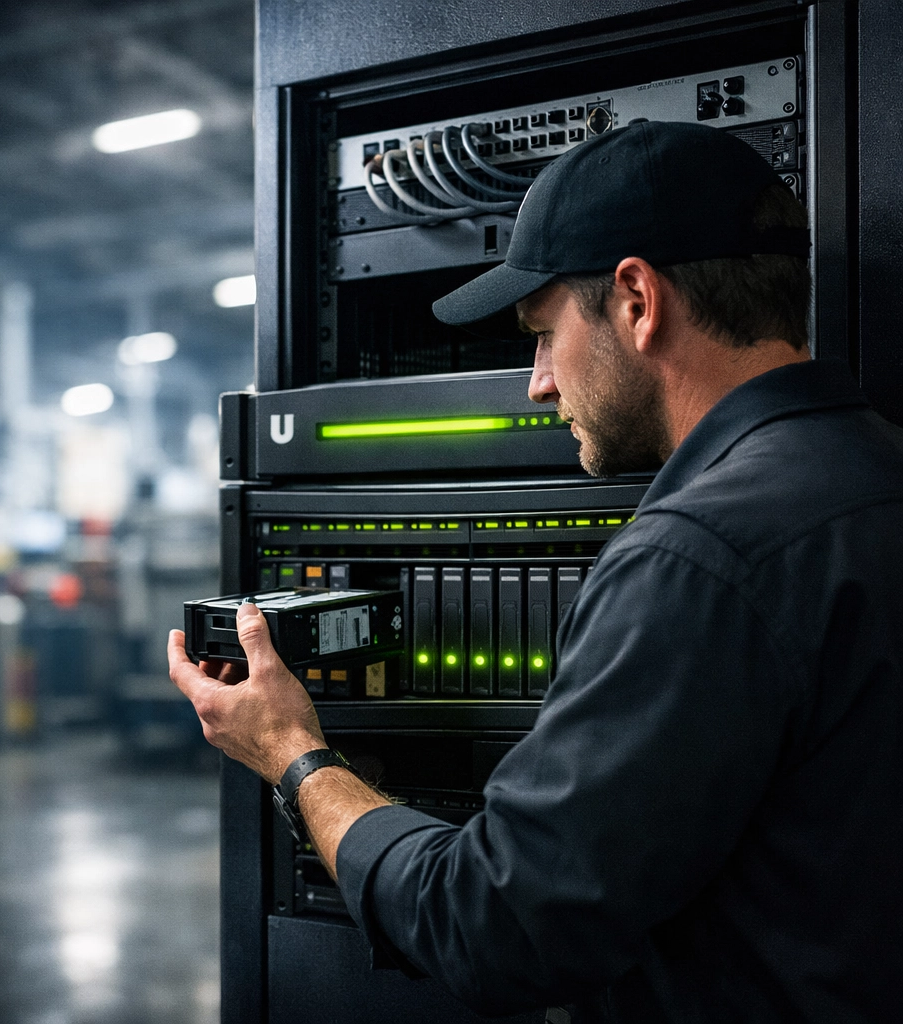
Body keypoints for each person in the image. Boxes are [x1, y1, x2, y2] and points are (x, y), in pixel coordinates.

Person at [168, 121, 903, 1021]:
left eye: (545, 334)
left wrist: (292, 755)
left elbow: (494, 930)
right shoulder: (875, 475)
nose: (539, 383)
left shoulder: (698, 558)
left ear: (637, 300)